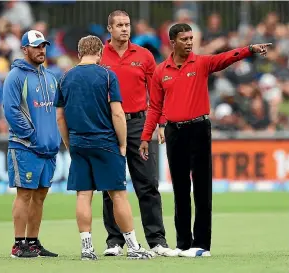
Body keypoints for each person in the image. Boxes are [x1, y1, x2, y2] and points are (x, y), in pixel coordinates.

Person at [139, 23, 272, 258]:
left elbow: (225, 58)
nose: (190, 42)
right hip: (174, 132)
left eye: (191, 38)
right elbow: (154, 107)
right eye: (185, 39)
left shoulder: (200, 63)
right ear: (173, 42)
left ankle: (201, 245)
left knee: (201, 188)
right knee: (180, 189)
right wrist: (145, 137)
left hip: (199, 129)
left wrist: (249, 49)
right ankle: (182, 244)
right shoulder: (161, 71)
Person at [54, 35, 153, 260]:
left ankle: (87, 248)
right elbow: (117, 113)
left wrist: (70, 143)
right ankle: (133, 246)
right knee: (118, 195)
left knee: (83, 195)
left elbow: (60, 117)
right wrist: (124, 143)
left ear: (79, 53)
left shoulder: (65, 77)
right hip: (105, 142)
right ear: (100, 52)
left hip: (79, 142)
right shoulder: (108, 75)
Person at [100, 10, 175, 257]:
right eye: (119, 25)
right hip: (108, 126)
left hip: (138, 126)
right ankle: (114, 241)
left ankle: (157, 240)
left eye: (127, 24)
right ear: (109, 28)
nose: (125, 28)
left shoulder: (144, 56)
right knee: (111, 186)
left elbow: (158, 92)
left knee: (148, 184)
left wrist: (161, 123)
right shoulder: (99, 55)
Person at [3, 30, 61, 258]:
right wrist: (31, 136)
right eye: (36, 46)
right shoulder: (15, 76)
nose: (41, 50)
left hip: (48, 148)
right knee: (25, 194)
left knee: (40, 195)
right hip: (25, 146)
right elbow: (11, 110)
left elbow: (56, 112)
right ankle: (18, 245)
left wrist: (53, 138)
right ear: (24, 49)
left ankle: (33, 241)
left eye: (43, 45)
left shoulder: (50, 77)